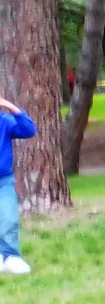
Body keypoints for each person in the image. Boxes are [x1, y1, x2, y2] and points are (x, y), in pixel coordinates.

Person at [0, 96, 39, 276]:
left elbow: (28, 130)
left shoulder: (4, 121)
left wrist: (9, 106)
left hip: (3, 181)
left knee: (8, 220)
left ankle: (10, 257)